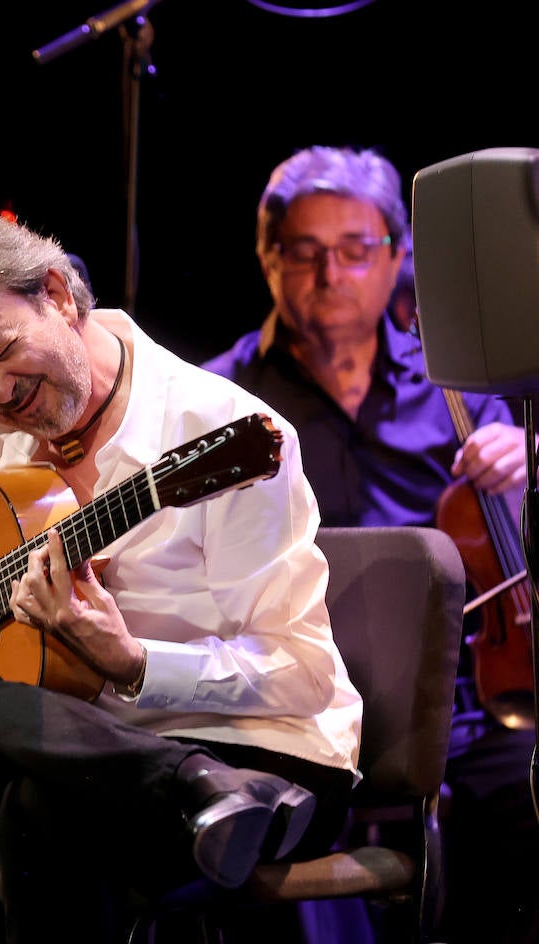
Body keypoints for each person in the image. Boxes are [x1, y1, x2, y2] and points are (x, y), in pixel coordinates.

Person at [0, 210, 364, 942]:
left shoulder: (219, 428)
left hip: (266, 765)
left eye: (1, 351)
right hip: (102, 755)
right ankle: (180, 785)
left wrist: (133, 663)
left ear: (59, 294)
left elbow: (302, 676)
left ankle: (195, 782)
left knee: (38, 811)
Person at [202, 144, 539, 944]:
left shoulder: (462, 388)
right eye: (306, 252)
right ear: (266, 257)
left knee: (529, 802)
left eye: (357, 251)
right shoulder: (215, 404)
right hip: (288, 706)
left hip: (460, 703)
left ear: (397, 258)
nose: (332, 274)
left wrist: (530, 461)